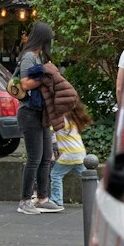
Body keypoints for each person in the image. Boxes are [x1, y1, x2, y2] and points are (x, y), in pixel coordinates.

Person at [23, 36, 84, 214]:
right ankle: (32, 199)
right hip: (80, 153)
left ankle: (46, 198)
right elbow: (24, 84)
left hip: (67, 154)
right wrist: (45, 71)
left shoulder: (59, 117)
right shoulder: (30, 59)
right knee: (40, 159)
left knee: (47, 165)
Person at [14, 23, 57, 214]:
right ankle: (24, 201)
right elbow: (24, 83)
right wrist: (46, 75)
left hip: (41, 113)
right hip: (29, 113)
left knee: (47, 156)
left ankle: (42, 197)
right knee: (34, 158)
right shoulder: (29, 56)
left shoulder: (37, 56)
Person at [49, 100, 93, 209]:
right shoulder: (73, 120)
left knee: (56, 175)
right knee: (87, 177)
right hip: (80, 153)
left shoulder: (61, 121)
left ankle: (57, 201)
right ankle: (103, 194)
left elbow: (49, 131)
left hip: (69, 154)